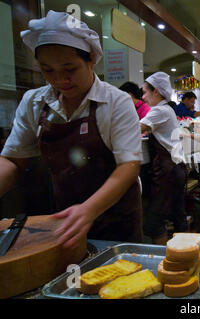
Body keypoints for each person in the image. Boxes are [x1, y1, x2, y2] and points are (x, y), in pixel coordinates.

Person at [0, 11, 144, 249]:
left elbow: (128, 166)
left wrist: (89, 211)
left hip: (117, 219)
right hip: (66, 218)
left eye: (70, 69)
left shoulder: (115, 101)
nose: (60, 79)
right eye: (48, 70)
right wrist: (79, 215)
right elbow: (14, 161)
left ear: (90, 60)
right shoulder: (34, 102)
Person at [139, 72, 188, 245]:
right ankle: (183, 256)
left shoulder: (160, 110)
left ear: (156, 92)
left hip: (169, 172)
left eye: (145, 92)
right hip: (176, 169)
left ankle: (164, 260)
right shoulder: (166, 110)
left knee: (153, 222)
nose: (143, 97)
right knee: (178, 215)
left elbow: (136, 128)